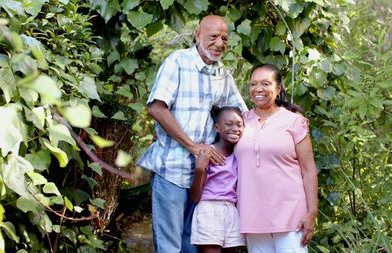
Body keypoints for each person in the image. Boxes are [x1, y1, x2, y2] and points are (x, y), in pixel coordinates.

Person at [136, 15, 247, 253]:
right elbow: (156, 107)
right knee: (170, 246)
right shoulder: (177, 62)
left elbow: (243, 114)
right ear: (198, 34)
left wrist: (283, 119)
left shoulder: (223, 74)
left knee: (192, 245)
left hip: (205, 176)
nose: (220, 43)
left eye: (225, 38)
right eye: (214, 36)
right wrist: (193, 146)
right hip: (172, 169)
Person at [234, 64, 318, 252]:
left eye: (266, 83)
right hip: (252, 217)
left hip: (291, 217)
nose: (258, 89)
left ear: (278, 88)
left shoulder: (294, 121)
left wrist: (311, 212)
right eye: (253, 84)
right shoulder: (241, 121)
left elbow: (309, 170)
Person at [189, 106, 245, 253]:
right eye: (229, 124)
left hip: (232, 212)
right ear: (217, 127)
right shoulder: (207, 153)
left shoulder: (240, 153)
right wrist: (200, 169)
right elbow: (195, 197)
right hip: (209, 210)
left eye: (239, 124)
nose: (235, 128)